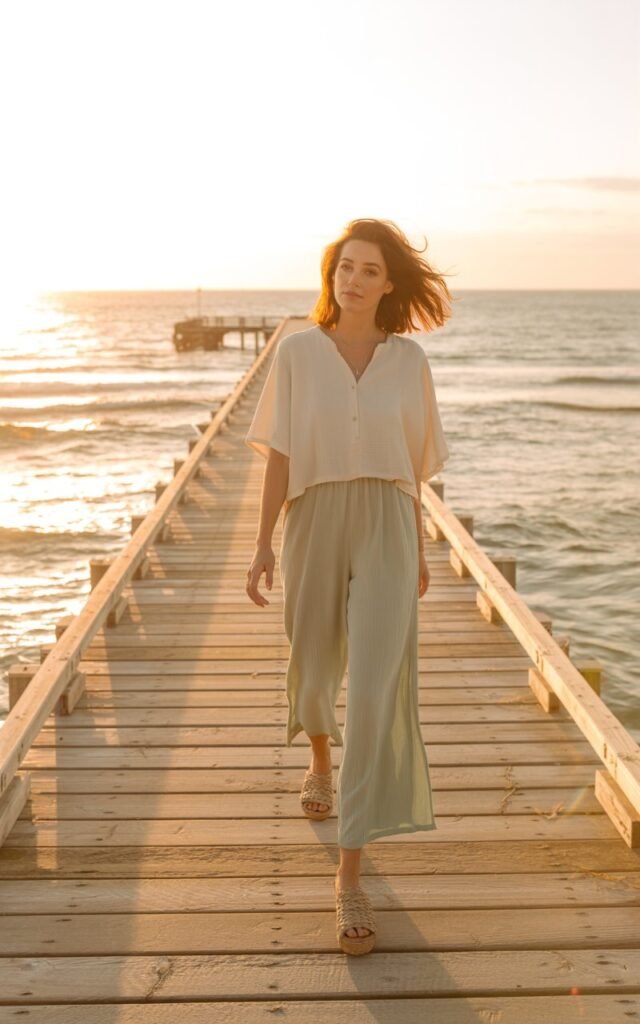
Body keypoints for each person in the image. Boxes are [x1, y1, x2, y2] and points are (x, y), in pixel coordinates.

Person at [244, 217, 453, 956]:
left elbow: (413, 466)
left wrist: (421, 546)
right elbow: (279, 454)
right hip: (316, 515)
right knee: (313, 660)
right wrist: (263, 542)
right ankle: (319, 761)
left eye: (370, 270)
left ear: (389, 282)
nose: (355, 279)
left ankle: (350, 873)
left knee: (372, 691)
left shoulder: (410, 360)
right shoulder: (300, 352)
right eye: (345, 267)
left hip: (390, 522)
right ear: (331, 277)